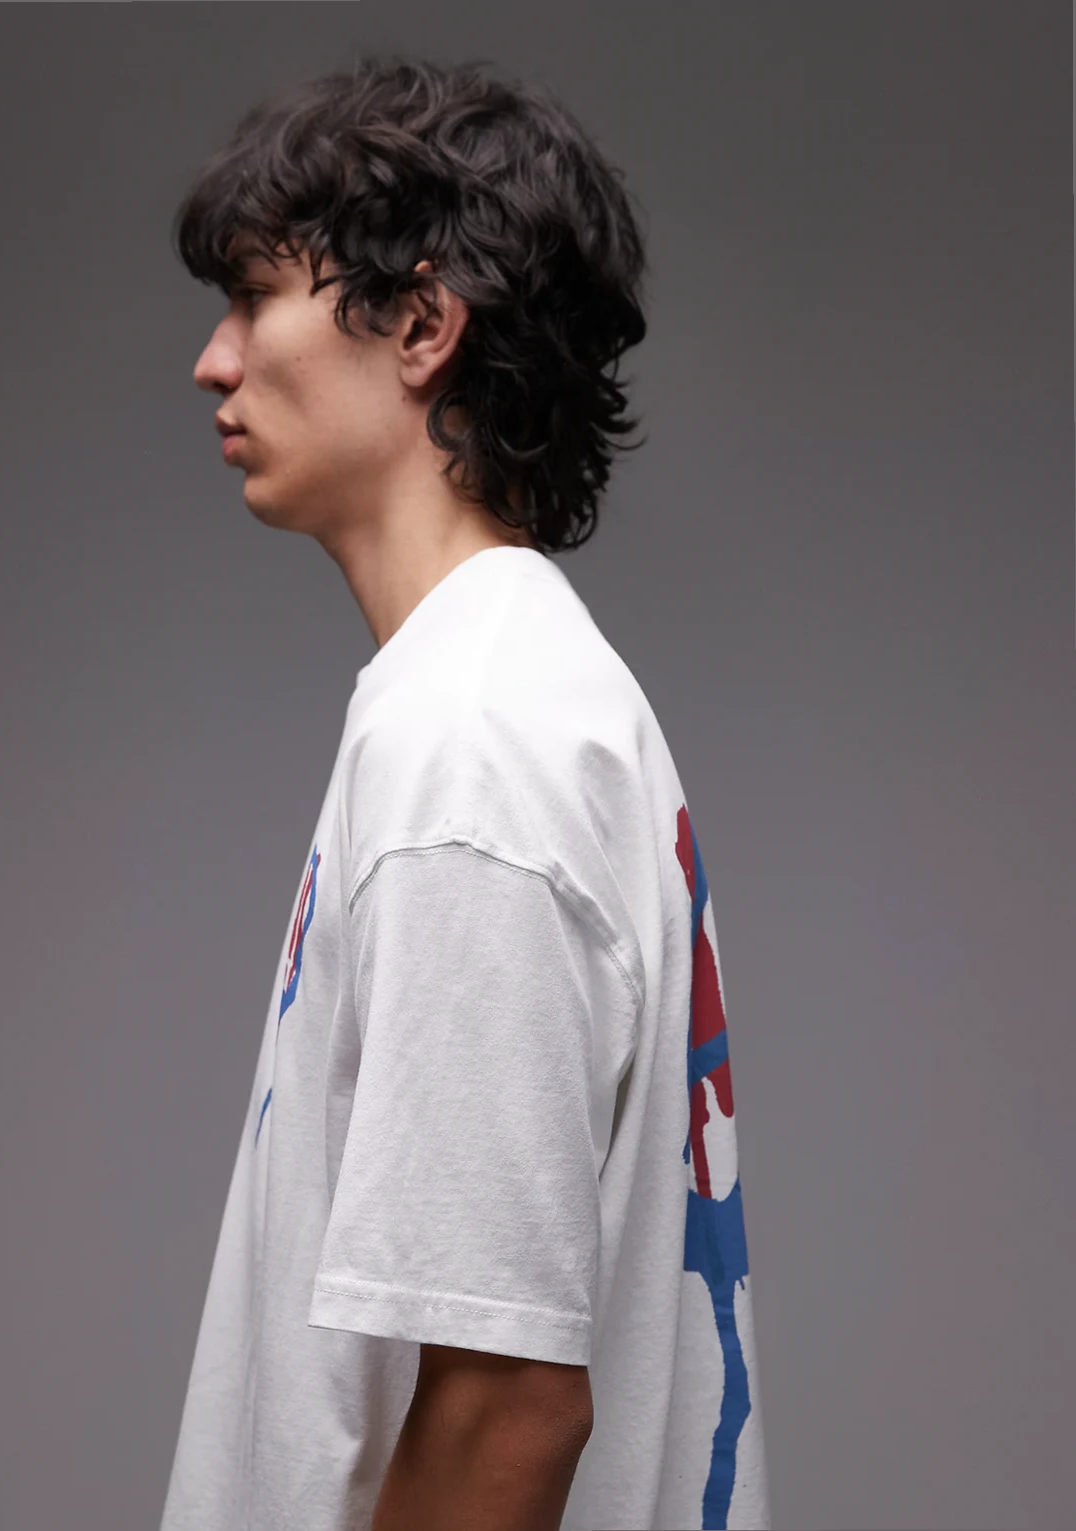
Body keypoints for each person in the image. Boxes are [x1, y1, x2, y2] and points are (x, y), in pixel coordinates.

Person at [159, 51, 770, 1531]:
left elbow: (509, 1408)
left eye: (255, 295)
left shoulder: (472, 743)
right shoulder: (514, 695)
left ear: (425, 323)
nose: (214, 361)